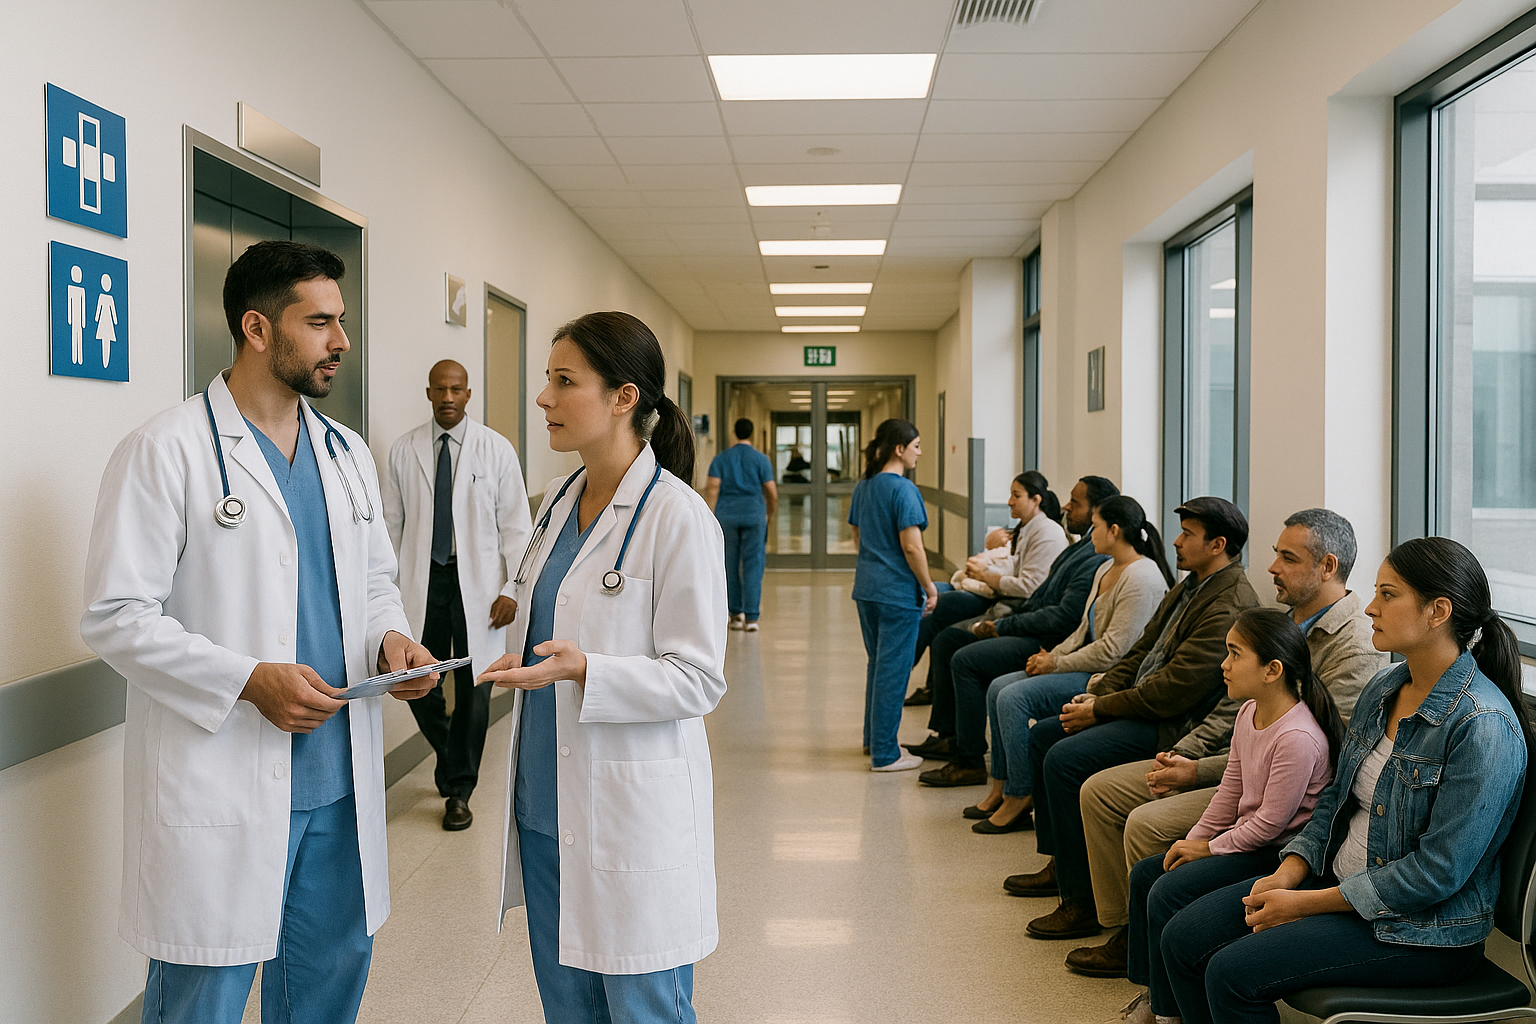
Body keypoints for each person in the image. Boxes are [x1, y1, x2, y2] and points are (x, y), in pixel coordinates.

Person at [80, 240, 439, 1024]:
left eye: (340, 322)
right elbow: (115, 617)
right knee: (202, 998)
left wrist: (391, 641)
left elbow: (375, 581)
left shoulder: (346, 455)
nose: (340, 341)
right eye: (319, 323)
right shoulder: (164, 450)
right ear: (256, 328)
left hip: (338, 779)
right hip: (223, 774)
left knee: (326, 986)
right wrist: (247, 679)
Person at [1161, 537, 1531, 1024]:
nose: (1371, 607)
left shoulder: (1481, 725)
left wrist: (1307, 905)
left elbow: (1436, 873)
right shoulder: (1386, 686)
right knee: (1181, 938)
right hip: (1336, 880)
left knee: (1231, 973)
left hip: (1419, 932)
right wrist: (1291, 870)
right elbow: (1337, 798)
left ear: (1437, 611)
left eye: (1388, 594)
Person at [478, 311, 726, 1023]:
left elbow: (699, 677)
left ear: (623, 397)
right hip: (546, 806)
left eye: (564, 381)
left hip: (629, 812)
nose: (543, 399)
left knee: (643, 1007)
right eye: (546, 380)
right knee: (570, 1009)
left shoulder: (677, 518)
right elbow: (542, 623)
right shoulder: (558, 501)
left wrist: (590, 671)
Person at [1069, 508, 1386, 977]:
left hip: (1277, 810)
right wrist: (1192, 755)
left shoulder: (1354, 646)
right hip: (1231, 774)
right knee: (1098, 790)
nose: (1272, 568)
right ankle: (1129, 930)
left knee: (1144, 824)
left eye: (1287, 558)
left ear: (1328, 566)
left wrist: (1198, 774)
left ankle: (1146, 944)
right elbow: (1236, 716)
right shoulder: (1281, 622)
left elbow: (1321, 756)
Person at [1013, 496, 1259, 940]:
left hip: (1173, 723)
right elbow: (1140, 652)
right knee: (1047, 735)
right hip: (1146, 705)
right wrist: (1098, 693)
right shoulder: (1191, 585)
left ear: (1218, 544)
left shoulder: (1230, 603)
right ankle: (1064, 865)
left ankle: (1082, 903)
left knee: (1064, 759)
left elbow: (1174, 690)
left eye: (1189, 535)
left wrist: (1102, 708)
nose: (1177, 542)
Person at [1120, 609, 1343, 1024]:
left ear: (1272, 670)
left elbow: (1270, 825)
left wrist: (1208, 849)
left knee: (1168, 892)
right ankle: (1158, 999)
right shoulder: (1248, 713)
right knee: (1149, 874)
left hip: (1277, 855)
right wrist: (1192, 840)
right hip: (1246, 841)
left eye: (1235, 654)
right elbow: (1230, 792)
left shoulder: (1297, 736)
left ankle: (1171, 1014)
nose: (1224, 664)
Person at [382, 359, 533, 831]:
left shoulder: (496, 450)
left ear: (468, 395)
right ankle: (451, 757)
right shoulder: (403, 451)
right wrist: (383, 591)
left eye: (457, 390)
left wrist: (511, 587)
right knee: (416, 681)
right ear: (429, 393)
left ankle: (460, 791)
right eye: (440, 390)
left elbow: (516, 528)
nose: (448, 397)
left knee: (474, 687)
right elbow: (390, 526)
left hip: (480, 590)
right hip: (423, 583)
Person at [969, 495, 1172, 832]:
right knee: (997, 688)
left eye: (1095, 527)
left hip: (1106, 677)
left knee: (1013, 698)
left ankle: (1021, 796)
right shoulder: (1107, 567)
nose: (1089, 535)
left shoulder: (1142, 578)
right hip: (1079, 663)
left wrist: (1057, 664)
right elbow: (1082, 630)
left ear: (1115, 530)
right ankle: (1002, 786)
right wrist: (1051, 656)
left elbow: (1113, 651)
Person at [908, 475, 1119, 781]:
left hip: (1047, 640)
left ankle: (967, 759)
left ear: (1098, 512)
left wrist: (1004, 624)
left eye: (1075, 502)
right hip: (1032, 623)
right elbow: (1042, 593)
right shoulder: (1081, 547)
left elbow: (1061, 615)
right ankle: (951, 737)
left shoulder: (1089, 554)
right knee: (948, 633)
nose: (1065, 506)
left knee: (963, 656)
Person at [906, 471, 1067, 706]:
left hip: (1017, 611)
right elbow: (1012, 567)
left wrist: (985, 576)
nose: (1010, 501)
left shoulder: (1047, 533)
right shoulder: (1026, 529)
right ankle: (931, 702)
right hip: (1002, 598)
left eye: (1016, 495)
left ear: (1036, 499)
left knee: (944, 622)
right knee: (938, 601)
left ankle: (904, 669)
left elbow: (1028, 587)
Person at [848, 417, 938, 771]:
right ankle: (886, 754)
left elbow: (857, 535)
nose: (919, 454)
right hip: (898, 593)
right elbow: (912, 547)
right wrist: (929, 587)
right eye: (916, 447)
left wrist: (874, 561)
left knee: (877, 666)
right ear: (899, 449)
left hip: (867, 588)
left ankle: (874, 741)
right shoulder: (904, 490)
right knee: (893, 672)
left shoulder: (865, 486)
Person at [704, 417, 777, 632]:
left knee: (729, 564)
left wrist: (710, 515)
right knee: (754, 564)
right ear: (751, 433)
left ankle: (735, 615)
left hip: (727, 516)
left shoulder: (722, 458)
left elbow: (712, 488)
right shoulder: (761, 459)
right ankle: (752, 618)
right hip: (754, 515)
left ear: (734, 433)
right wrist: (768, 513)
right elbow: (772, 493)